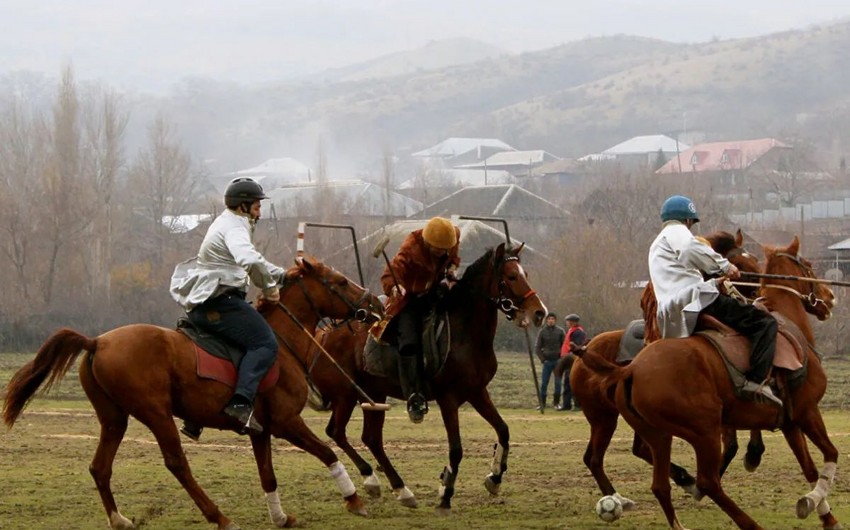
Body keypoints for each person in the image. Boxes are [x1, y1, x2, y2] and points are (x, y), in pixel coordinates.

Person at [170, 177, 284, 439]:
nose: (260, 210)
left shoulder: (227, 221)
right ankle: (241, 404)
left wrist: (282, 275)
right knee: (265, 344)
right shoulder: (235, 227)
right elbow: (248, 260)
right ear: (243, 206)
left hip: (203, 302)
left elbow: (256, 260)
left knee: (228, 348)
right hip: (221, 301)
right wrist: (270, 289)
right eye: (257, 205)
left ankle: (196, 414)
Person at [648, 195, 781, 406]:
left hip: (671, 311)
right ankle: (756, 382)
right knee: (765, 323)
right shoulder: (677, 232)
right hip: (695, 300)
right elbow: (691, 250)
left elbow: (679, 276)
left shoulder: (657, 243)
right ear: (688, 220)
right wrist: (725, 266)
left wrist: (717, 281)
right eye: (691, 223)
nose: (690, 227)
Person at [380, 216, 461, 423]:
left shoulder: (452, 238)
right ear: (427, 242)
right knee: (408, 343)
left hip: (434, 291)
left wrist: (451, 270)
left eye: (446, 249)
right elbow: (391, 273)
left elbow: (453, 257)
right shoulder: (410, 248)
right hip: (409, 300)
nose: (443, 253)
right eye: (438, 250)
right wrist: (394, 288)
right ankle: (414, 396)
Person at [534, 312, 566, 410]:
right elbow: (538, 347)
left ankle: (556, 403)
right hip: (547, 361)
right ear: (546, 320)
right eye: (549, 319)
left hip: (558, 361)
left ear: (555, 320)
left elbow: (564, 346)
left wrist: (562, 359)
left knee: (558, 383)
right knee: (544, 383)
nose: (550, 321)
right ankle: (542, 403)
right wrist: (543, 360)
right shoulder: (542, 332)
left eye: (552, 319)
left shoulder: (560, 331)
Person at [555, 314, 586, 411]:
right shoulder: (571, 331)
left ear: (573, 322)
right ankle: (566, 404)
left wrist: (569, 355)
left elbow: (577, 347)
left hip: (572, 360)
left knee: (572, 383)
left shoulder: (578, 332)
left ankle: (577, 404)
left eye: (568, 321)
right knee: (567, 383)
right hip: (567, 360)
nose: (567, 323)